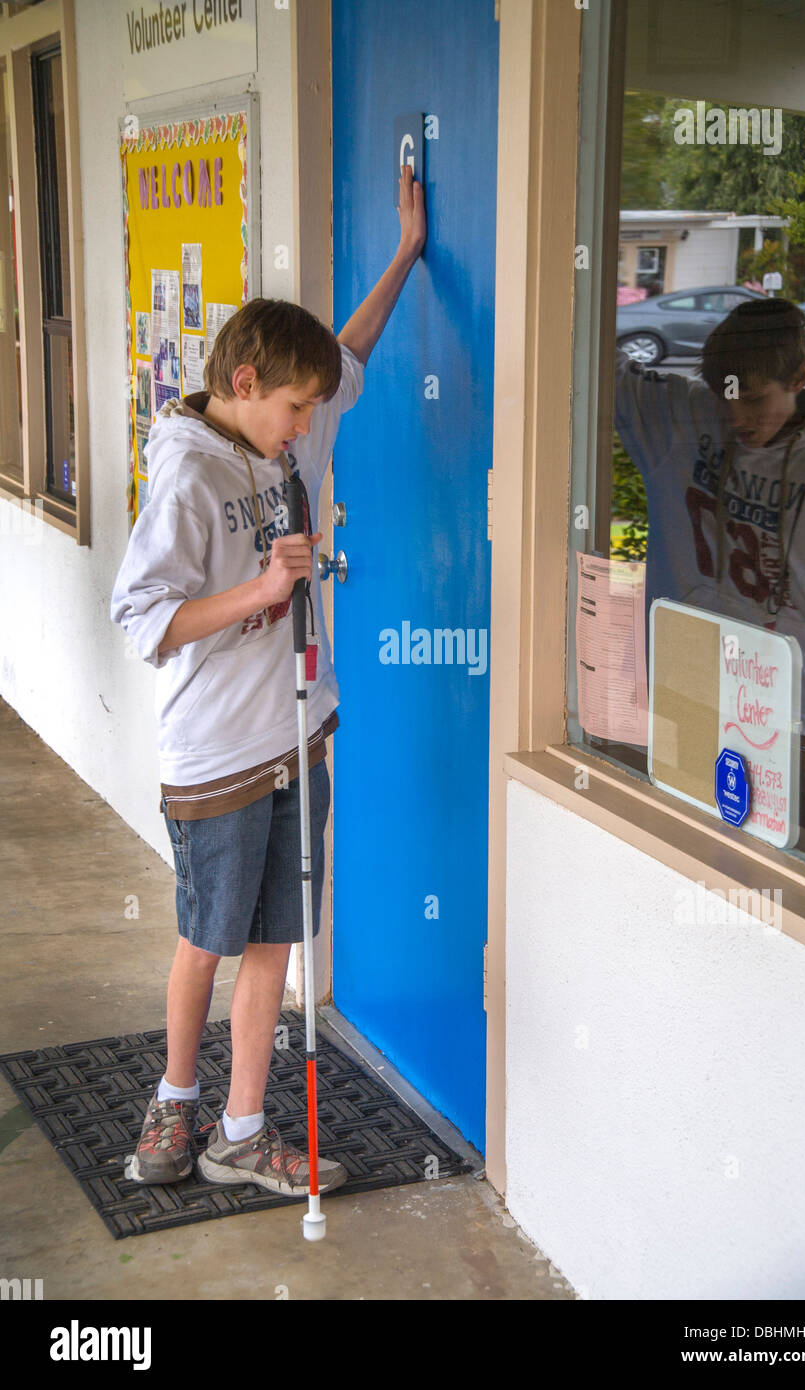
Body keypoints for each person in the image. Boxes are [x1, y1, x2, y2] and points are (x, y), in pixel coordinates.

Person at [110, 164, 426, 1195]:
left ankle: (241, 1131)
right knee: (205, 939)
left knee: (276, 941)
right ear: (243, 382)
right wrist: (255, 593)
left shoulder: (289, 423)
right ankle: (174, 1101)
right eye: (294, 408)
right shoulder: (190, 471)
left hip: (298, 733)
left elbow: (348, 351)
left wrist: (405, 257)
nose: (307, 426)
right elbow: (143, 618)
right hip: (215, 754)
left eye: (311, 411)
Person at [614, 296, 805, 833]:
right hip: (690, 677)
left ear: (800, 376)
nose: (736, 418)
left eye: (753, 401)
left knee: (788, 842)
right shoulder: (686, 411)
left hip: (790, 704)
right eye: (724, 398)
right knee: (682, 822)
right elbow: (586, 356)